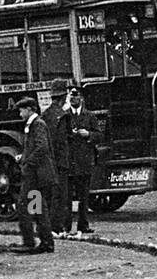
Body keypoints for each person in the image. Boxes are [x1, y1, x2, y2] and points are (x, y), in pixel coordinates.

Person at [12, 97, 56, 254]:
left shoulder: (37, 124)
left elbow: (42, 148)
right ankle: (44, 242)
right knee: (36, 208)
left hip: (36, 175)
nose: (20, 113)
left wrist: (27, 162)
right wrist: (23, 157)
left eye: (21, 110)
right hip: (36, 175)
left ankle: (32, 242)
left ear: (30, 109)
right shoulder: (33, 124)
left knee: (26, 206)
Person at [63, 85, 100, 233]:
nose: (73, 99)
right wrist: (70, 134)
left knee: (84, 197)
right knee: (67, 198)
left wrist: (88, 134)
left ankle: (83, 225)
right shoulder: (65, 116)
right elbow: (60, 137)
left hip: (84, 162)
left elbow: (99, 135)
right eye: (71, 97)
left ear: (81, 99)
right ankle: (66, 226)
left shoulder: (90, 116)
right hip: (70, 162)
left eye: (76, 96)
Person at [42, 80, 71, 233]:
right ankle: (58, 227)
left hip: (50, 162)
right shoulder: (63, 116)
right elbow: (61, 142)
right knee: (61, 196)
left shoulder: (45, 115)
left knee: (52, 196)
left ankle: (52, 226)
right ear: (64, 96)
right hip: (61, 162)